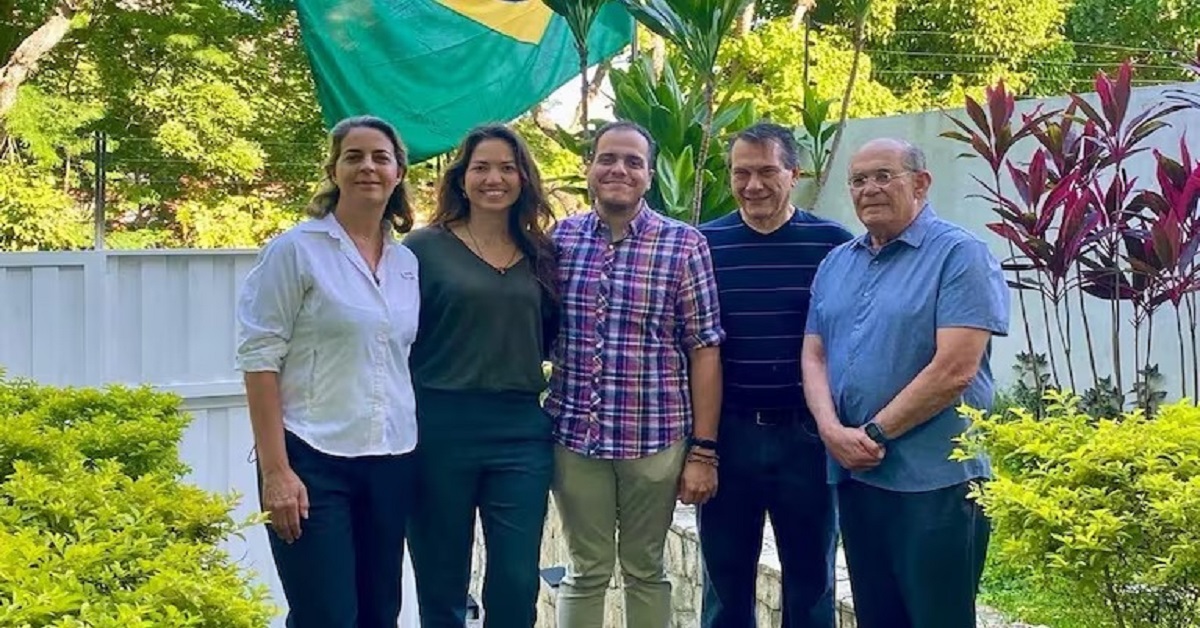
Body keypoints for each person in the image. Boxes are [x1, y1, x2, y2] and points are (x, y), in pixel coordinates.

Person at [801, 138, 1009, 628]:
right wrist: (831, 431)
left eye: (883, 176)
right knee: (877, 618)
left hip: (936, 482)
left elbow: (955, 368)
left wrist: (873, 434)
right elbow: (814, 354)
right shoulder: (837, 262)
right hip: (858, 478)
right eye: (858, 180)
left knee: (939, 619)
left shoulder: (960, 255)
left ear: (920, 183)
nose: (869, 189)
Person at [235, 115, 420, 628]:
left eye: (380, 157)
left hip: (391, 460)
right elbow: (259, 359)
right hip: (311, 461)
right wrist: (276, 471)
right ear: (334, 170)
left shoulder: (407, 264)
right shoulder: (296, 250)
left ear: (399, 172)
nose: (368, 167)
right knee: (327, 616)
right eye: (353, 157)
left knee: (379, 614)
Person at [545, 119, 725, 628]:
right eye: (607, 158)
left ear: (649, 174)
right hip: (576, 439)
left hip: (655, 441)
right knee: (585, 570)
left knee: (645, 569)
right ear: (589, 167)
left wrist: (703, 451)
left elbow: (705, 349)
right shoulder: (561, 240)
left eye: (633, 161)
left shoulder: (683, 245)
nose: (618, 170)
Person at [697, 122, 853, 628]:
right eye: (741, 173)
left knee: (812, 583)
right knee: (724, 586)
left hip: (807, 437)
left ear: (794, 173)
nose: (753, 185)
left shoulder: (834, 245)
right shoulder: (703, 245)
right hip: (728, 436)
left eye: (767, 171)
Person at [404, 124, 560, 628]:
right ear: (461, 178)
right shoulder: (422, 249)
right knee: (441, 580)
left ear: (524, 178)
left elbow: (551, 336)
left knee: (516, 582)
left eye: (507, 168)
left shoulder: (542, 253)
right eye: (481, 167)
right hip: (438, 429)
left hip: (520, 433)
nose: (495, 178)